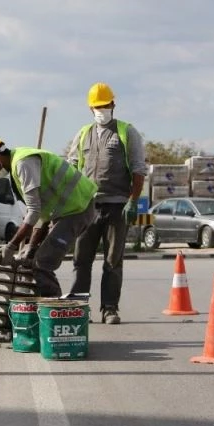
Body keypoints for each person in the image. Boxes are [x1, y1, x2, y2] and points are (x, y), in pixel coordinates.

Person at [0, 135, 97, 297]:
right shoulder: (17, 166)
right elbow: (42, 215)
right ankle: (43, 305)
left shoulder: (23, 164)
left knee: (43, 263)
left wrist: (11, 246)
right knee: (32, 259)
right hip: (66, 211)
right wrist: (30, 248)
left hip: (79, 208)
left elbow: (34, 212)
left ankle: (55, 311)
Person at [66, 82, 148, 325]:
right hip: (87, 207)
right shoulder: (83, 134)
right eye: (97, 106)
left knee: (112, 261)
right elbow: (71, 167)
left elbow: (138, 169)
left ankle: (109, 309)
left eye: (106, 105)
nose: (102, 110)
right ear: (91, 109)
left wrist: (133, 201)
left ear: (113, 105)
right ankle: (80, 307)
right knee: (81, 260)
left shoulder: (126, 132)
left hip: (117, 206)